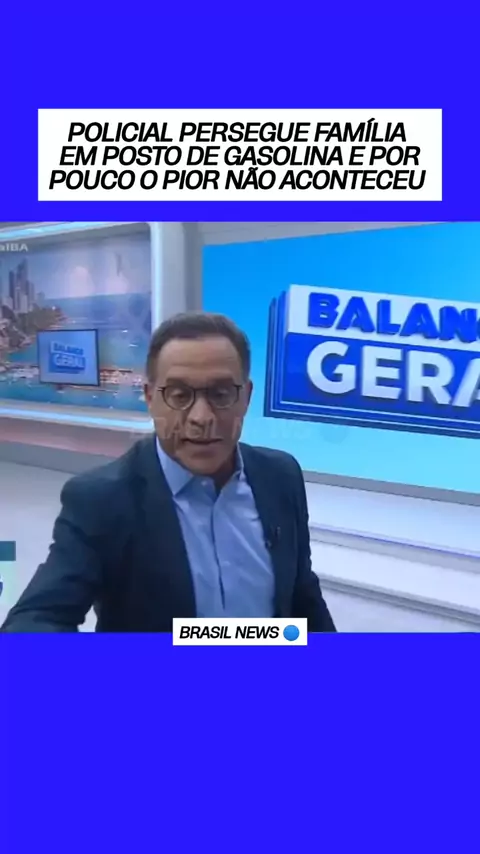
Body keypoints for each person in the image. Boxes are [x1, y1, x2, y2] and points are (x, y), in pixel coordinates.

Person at [1, 311, 336, 633]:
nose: (201, 417)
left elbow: (303, 596)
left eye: (221, 394)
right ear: (150, 398)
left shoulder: (280, 475)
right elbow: (34, 620)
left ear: (246, 397)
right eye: (179, 395)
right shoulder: (102, 499)